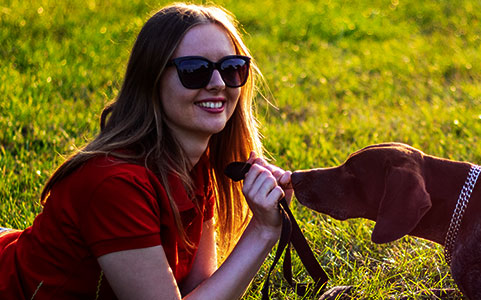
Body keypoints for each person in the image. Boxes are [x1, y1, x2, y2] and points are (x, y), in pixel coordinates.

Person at [0, 3, 292, 299]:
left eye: (231, 68)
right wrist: (262, 231)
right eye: (194, 70)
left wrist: (266, 224)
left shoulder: (194, 162)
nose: (218, 83)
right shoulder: (116, 184)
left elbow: (200, 288)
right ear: (151, 79)